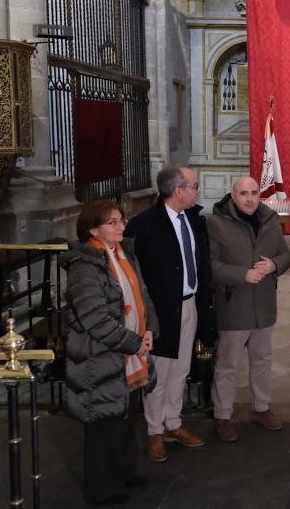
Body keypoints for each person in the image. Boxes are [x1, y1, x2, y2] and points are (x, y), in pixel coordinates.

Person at [62, 200, 157, 505]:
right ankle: (102, 488)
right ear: (92, 229)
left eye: (121, 220)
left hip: (129, 351)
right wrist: (133, 342)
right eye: (112, 223)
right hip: (100, 354)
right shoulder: (85, 265)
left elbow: (142, 294)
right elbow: (94, 317)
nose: (121, 227)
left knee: (126, 417)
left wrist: (149, 329)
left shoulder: (123, 253)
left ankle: (125, 472)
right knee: (104, 421)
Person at [124, 165, 215, 462]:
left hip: (191, 304)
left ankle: (173, 423)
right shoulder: (144, 225)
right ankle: (154, 430)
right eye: (194, 186)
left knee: (181, 369)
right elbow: (134, 274)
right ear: (178, 190)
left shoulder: (193, 219)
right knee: (159, 373)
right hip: (161, 310)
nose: (197, 191)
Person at [207, 176, 290, 442]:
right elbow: (209, 264)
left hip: (264, 304)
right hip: (234, 304)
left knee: (263, 360)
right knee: (228, 364)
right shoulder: (216, 223)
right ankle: (222, 415)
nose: (249, 198)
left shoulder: (270, 221)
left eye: (254, 192)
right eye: (243, 193)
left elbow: (286, 255)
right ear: (233, 196)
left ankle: (261, 407)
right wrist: (241, 274)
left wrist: (274, 266)